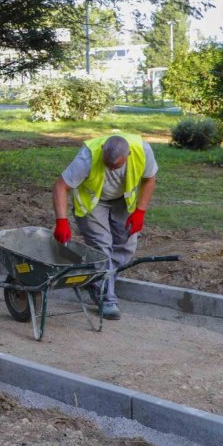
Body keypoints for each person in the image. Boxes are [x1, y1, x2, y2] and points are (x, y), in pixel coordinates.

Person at [52, 134, 158, 320]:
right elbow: (61, 186)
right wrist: (61, 221)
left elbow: (149, 179)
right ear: (102, 152)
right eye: (108, 164)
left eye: (116, 166)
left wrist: (140, 210)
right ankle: (106, 298)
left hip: (123, 200)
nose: (111, 168)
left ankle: (96, 280)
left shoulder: (143, 151)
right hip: (93, 203)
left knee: (126, 246)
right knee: (102, 247)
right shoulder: (88, 157)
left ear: (129, 155)